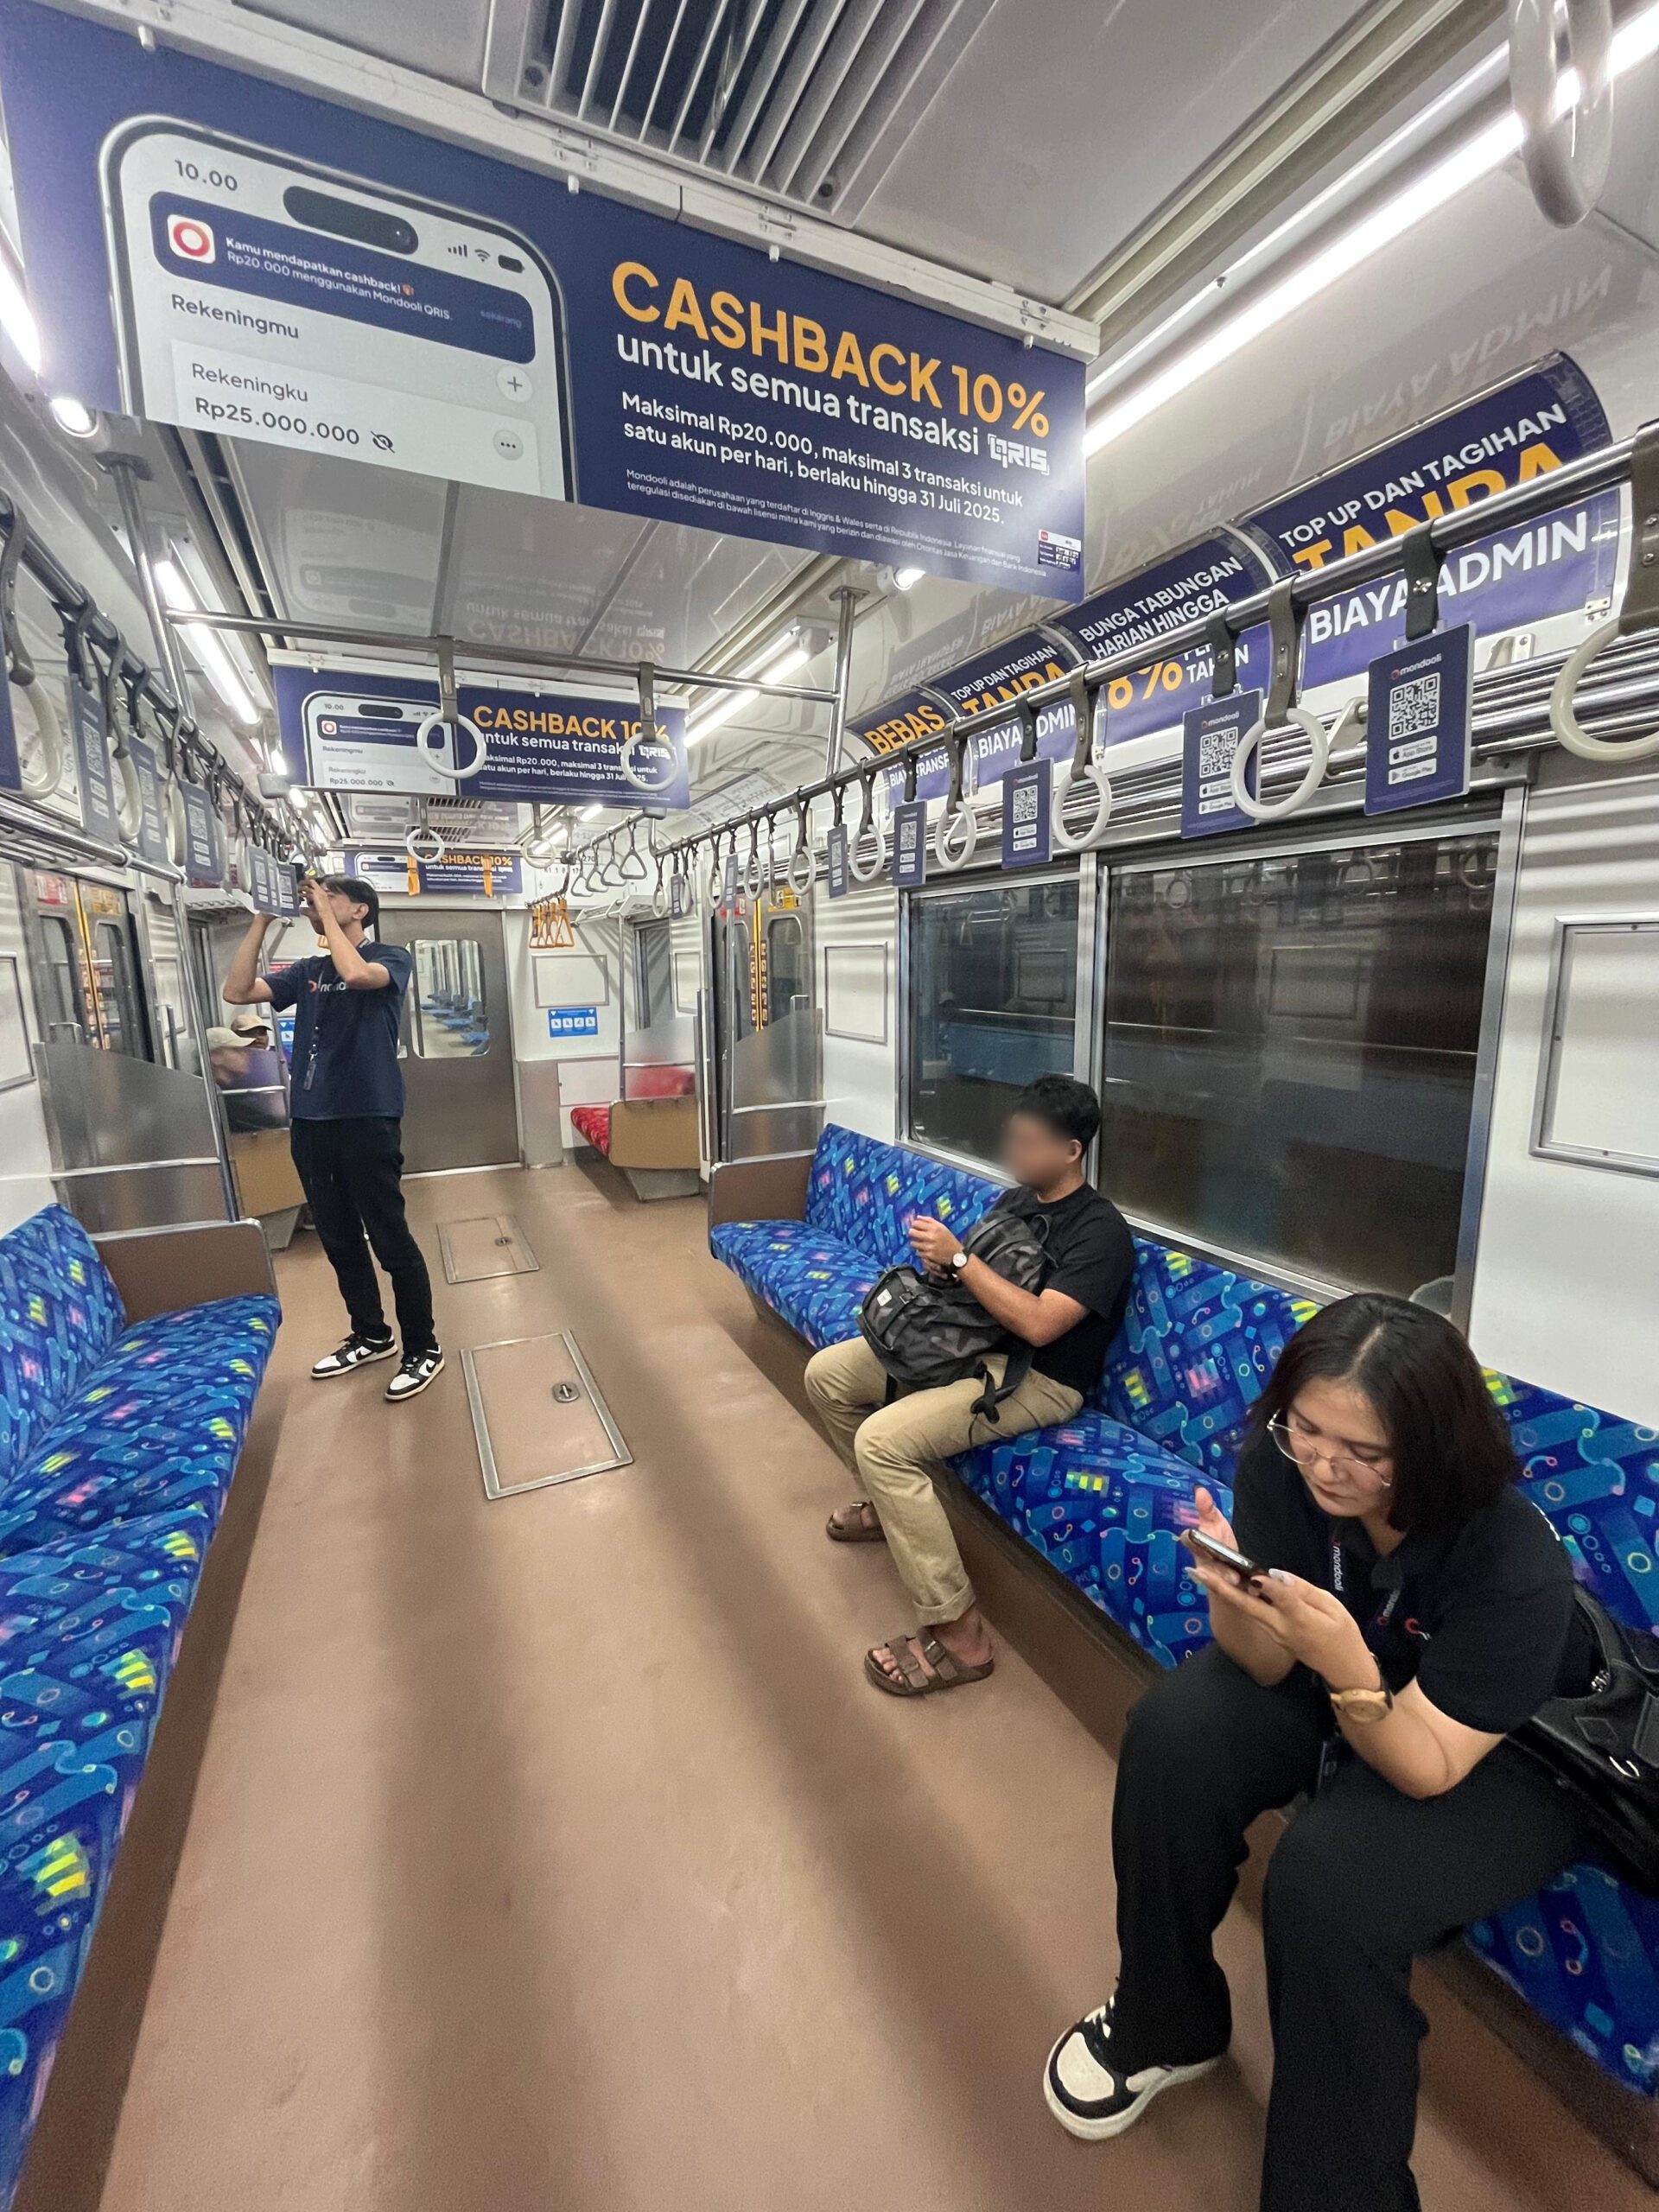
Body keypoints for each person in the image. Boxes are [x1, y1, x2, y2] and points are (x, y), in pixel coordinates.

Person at [1043, 1294, 1587, 2212]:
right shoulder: (1282, 1466)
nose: (1328, 1466)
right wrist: (1230, 1594)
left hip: (1503, 1747)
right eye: (1308, 1428)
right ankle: (1167, 2017)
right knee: (1174, 1734)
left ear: (1433, 1445)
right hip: (1346, 1670)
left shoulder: (1510, 1559)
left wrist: (1347, 1664)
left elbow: (1426, 1764)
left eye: (1365, 1451)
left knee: (1330, 1881)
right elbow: (1262, 1664)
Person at [804, 1074, 1133, 1698]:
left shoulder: (1101, 1233)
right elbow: (975, 1285)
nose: (1016, 1152)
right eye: (1014, 1137)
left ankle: (960, 1634)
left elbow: (1039, 1325)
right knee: (828, 1376)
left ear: (1071, 1151)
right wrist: (944, 1268)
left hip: (1039, 1380)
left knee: (881, 1442)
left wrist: (961, 1260)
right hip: (971, 1346)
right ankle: (888, 1510)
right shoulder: (1017, 1202)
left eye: (1030, 1143)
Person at [222, 874, 444, 1402]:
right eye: (316, 899)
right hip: (311, 1119)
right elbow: (237, 992)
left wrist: (322, 911)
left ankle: (423, 1346)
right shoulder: (309, 971)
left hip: (367, 1116)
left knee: (389, 1238)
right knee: (339, 1238)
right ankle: (371, 1333)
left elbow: (357, 973)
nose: (317, 904)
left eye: (332, 897)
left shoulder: (390, 958)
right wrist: (262, 918)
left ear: (360, 909)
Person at [204, 1026, 286, 1133]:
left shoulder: (240, 1085)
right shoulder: (215, 1095)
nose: (246, 1055)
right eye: (237, 1051)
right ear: (216, 1057)